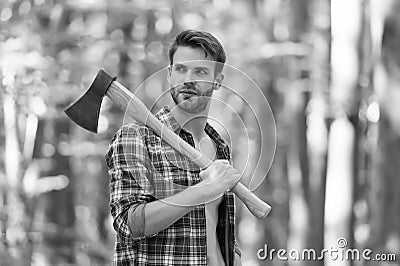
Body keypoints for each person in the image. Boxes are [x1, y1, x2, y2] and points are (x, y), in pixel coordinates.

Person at [106, 29, 242, 265]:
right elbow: (130, 223)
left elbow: (223, 237)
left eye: (200, 71)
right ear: (169, 74)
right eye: (180, 69)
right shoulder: (137, 138)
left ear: (217, 81)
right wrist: (204, 189)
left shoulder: (220, 147)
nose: (187, 79)